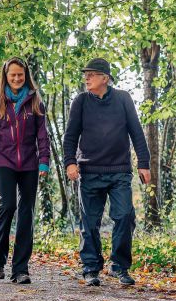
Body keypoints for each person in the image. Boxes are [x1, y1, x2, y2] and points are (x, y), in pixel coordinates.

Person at [63, 58, 151, 287]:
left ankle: (119, 267)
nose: (86, 78)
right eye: (86, 74)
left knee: (124, 216)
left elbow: (136, 131)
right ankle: (91, 268)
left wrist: (144, 163)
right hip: (90, 171)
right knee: (90, 223)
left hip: (119, 170)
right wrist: (70, 163)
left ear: (105, 77)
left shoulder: (123, 98)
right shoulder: (80, 101)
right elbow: (71, 135)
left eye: (91, 74)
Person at [0, 56, 51, 284]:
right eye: (12, 75)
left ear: (25, 75)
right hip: (3, 161)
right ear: (6, 77)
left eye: (20, 75)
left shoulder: (35, 100)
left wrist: (44, 161)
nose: (17, 79)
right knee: (7, 205)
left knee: (26, 213)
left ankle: (20, 269)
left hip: (29, 163)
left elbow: (42, 135)